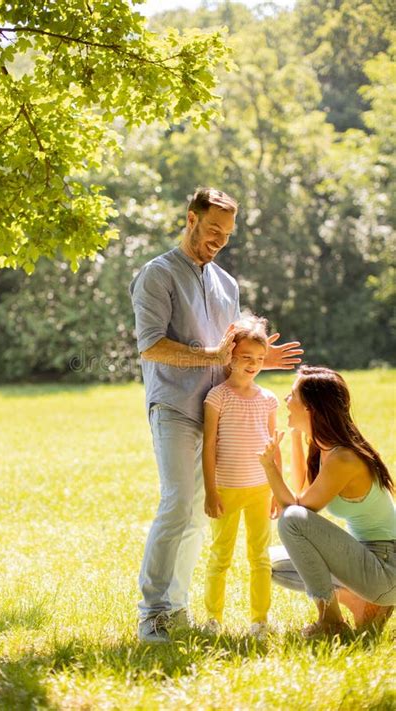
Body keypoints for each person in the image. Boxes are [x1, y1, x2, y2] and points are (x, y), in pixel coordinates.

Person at [130, 187, 303, 643]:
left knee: (195, 513)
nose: (219, 240)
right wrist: (209, 355)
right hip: (174, 406)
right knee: (177, 503)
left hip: (220, 414)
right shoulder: (157, 275)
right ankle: (153, 612)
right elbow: (151, 345)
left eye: (226, 234)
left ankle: (178, 607)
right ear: (190, 219)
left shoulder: (227, 285)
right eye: (212, 230)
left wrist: (257, 361)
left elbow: (229, 356)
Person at [258, 366, 395, 638]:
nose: (286, 400)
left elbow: (294, 509)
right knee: (265, 563)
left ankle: (331, 621)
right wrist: (297, 436)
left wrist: (270, 468)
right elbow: (300, 492)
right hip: (368, 559)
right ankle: (360, 602)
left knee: (291, 521)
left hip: (386, 566)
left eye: (293, 395)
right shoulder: (326, 448)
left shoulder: (344, 458)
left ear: (311, 407)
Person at [202, 315, 281, 639]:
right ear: (230, 357)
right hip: (226, 489)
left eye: (259, 359)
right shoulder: (217, 397)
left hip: (260, 490)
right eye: (246, 358)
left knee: (260, 557)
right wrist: (210, 492)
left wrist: (277, 490)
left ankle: (259, 621)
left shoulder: (268, 400)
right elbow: (208, 447)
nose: (253, 364)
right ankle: (212, 620)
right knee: (221, 555)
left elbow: (273, 449)